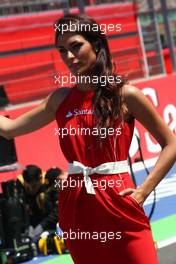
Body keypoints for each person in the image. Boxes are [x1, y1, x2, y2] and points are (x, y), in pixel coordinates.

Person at [0, 13, 176, 264]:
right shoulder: (59, 100)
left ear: (96, 44)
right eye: (62, 50)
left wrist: (143, 191)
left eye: (76, 46)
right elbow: (8, 129)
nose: (69, 57)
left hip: (119, 201)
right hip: (77, 205)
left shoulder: (126, 94)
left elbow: (172, 144)